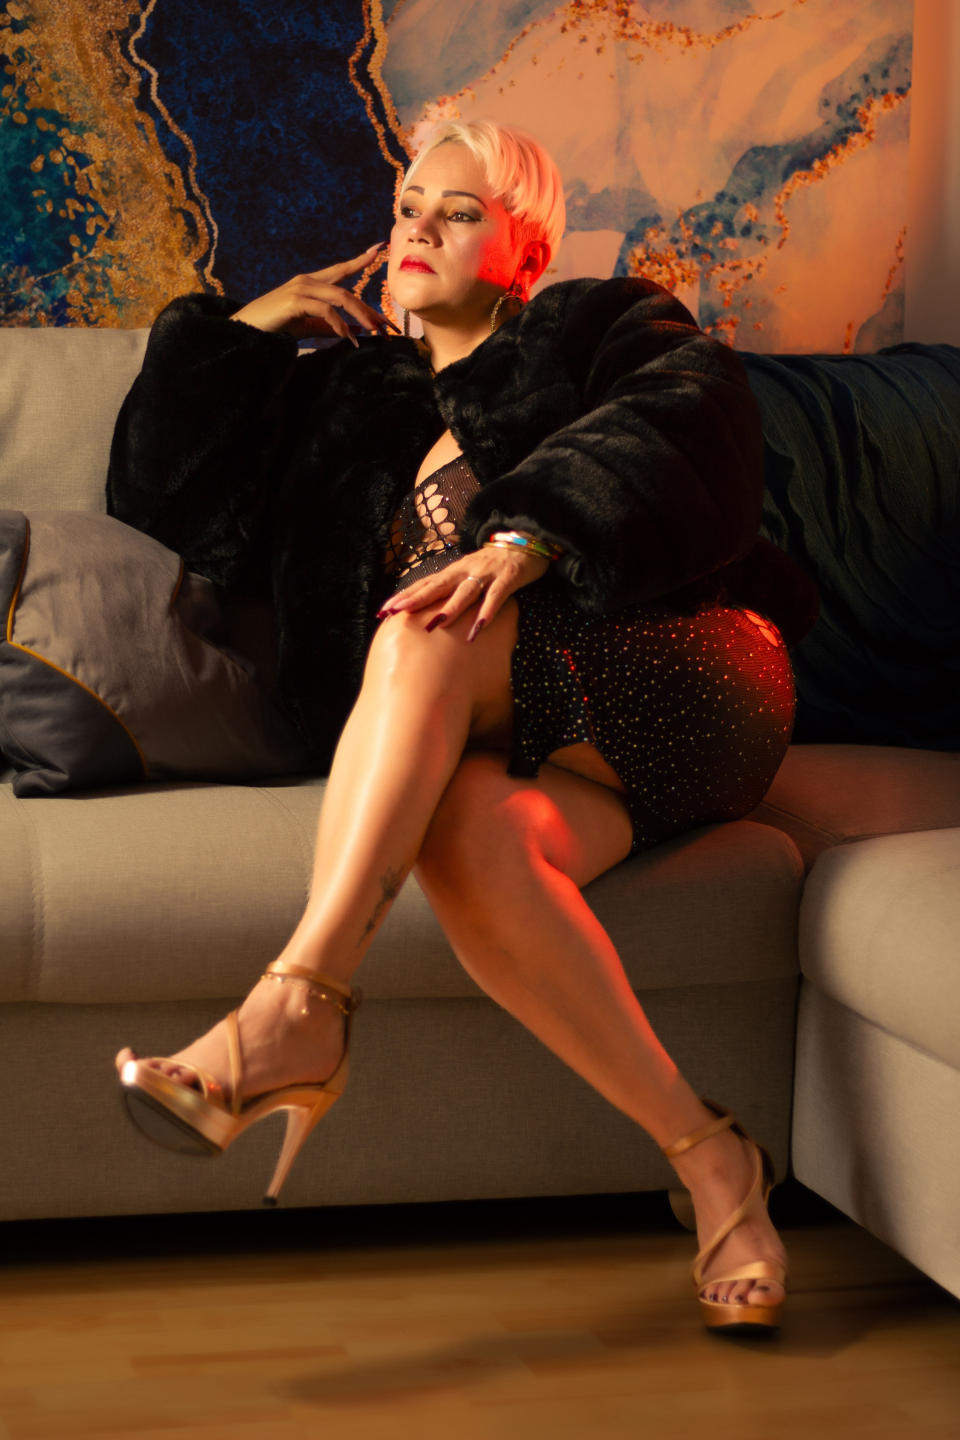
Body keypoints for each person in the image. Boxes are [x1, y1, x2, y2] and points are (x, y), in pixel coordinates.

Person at [110, 118, 815, 1335]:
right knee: (470, 842)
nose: (419, 226)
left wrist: (533, 533)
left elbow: (694, 407)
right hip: (508, 735)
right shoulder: (338, 402)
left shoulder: (585, 326)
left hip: (674, 665)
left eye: (460, 210)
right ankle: (716, 1164)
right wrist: (244, 332)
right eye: (407, 207)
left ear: (525, 253)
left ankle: (293, 1011)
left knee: (423, 622)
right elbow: (163, 506)